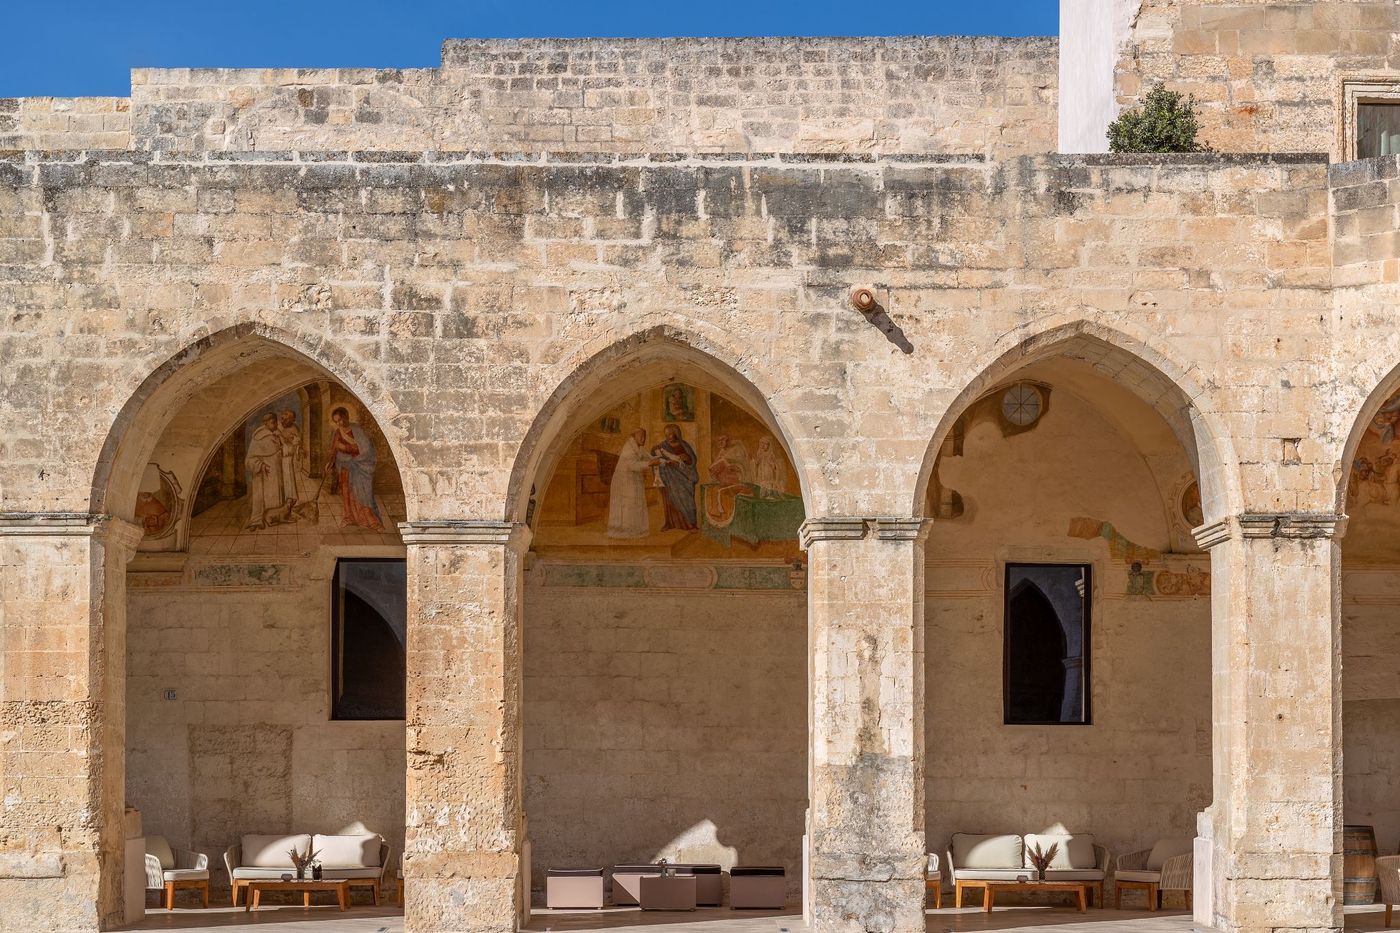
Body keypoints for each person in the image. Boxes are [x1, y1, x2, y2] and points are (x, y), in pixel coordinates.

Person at [325, 406, 384, 530]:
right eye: (336, 421)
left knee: (362, 493)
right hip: (344, 468)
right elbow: (334, 449)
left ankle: (371, 521)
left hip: (359, 467)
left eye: (340, 420)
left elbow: (366, 449)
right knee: (346, 493)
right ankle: (348, 518)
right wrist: (330, 462)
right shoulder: (337, 432)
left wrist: (345, 448)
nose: (339, 423)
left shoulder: (357, 430)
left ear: (346, 417)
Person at [650, 424, 699, 530]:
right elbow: (656, 457)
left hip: (684, 478)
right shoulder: (662, 446)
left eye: (670, 434)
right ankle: (670, 523)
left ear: (676, 434)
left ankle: (691, 524)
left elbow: (692, 461)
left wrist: (686, 458)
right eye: (666, 434)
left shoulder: (684, 445)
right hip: (668, 477)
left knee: (686, 500)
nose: (668, 436)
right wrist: (654, 451)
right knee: (669, 500)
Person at [607, 428, 654, 538]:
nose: (643, 439)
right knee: (628, 504)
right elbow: (632, 465)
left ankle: (634, 529)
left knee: (634, 503)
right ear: (634, 436)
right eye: (641, 436)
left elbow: (648, 457)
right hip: (623, 481)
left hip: (632, 479)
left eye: (644, 436)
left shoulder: (638, 448)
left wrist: (660, 459)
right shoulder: (628, 447)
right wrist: (649, 464)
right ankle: (626, 530)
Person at [244, 412, 286, 530]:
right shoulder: (259, 438)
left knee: (273, 496)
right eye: (273, 422)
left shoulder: (275, 435)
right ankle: (256, 521)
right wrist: (261, 466)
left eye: (276, 422)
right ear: (266, 424)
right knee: (260, 497)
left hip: (274, 473)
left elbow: (279, 450)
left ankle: (269, 517)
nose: (276, 424)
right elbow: (250, 459)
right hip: (262, 474)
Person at [277, 409, 319, 523]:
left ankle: (288, 510)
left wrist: (299, 450)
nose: (283, 420)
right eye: (282, 418)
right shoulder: (278, 428)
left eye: (286, 419)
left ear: (292, 420)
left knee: (289, 486)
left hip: (287, 461)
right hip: (277, 462)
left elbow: (297, 444)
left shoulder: (294, 429)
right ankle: (281, 511)